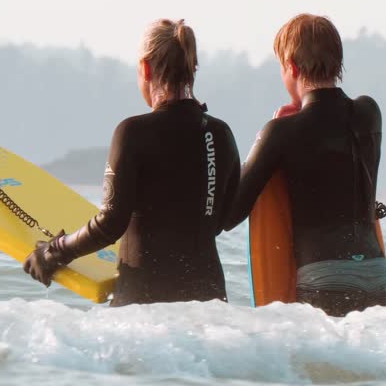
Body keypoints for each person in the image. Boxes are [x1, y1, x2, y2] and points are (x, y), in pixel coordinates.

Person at [24, 19, 240, 305]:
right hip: (210, 304)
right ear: (192, 69)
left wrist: (53, 252)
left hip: (145, 303)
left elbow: (110, 224)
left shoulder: (133, 132)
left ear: (145, 68)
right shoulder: (220, 133)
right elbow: (223, 218)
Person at [225, 13, 386, 315]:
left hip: (324, 276)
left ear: (291, 66)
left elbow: (231, 214)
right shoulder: (369, 112)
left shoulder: (281, 132)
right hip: (376, 272)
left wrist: (266, 138)